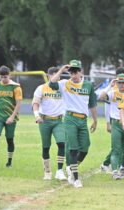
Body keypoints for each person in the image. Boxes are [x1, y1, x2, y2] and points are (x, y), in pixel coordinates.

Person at [49, 60, 98, 188]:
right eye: (71, 71)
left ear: (81, 71)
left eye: (75, 71)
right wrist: (61, 70)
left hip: (83, 120)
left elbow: (92, 104)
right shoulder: (64, 84)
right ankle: (76, 179)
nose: (73, 74)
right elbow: (51, 82)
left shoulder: (88, 85)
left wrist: (95, 120)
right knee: (73, 148)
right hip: (70, 119)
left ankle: (71, 166)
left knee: (85, 148)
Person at [32, 66, 67, 181]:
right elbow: (35, 103)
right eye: (53, 75)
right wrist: (37, 116)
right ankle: (47, 172)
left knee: (62, 143)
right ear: (48, 76)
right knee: (46, 146)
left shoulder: (62, 87)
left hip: (58, 120)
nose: (56, 77)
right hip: (44, 120)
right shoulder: (41, 88)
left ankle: (60, 171)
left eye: (58, 74)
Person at [98, 73, 124, 180]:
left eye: (123, 82)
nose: (121, 85)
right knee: (116, 148)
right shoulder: (112, 93)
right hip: (116, 123)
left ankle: (122, 169)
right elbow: (101, 97)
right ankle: (115, 171)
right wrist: (109, 86)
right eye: (119, 82)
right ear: (116, 83)